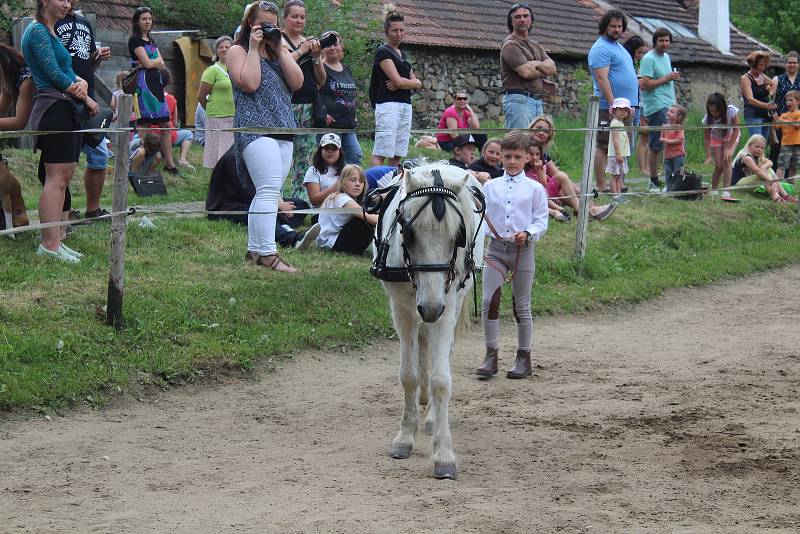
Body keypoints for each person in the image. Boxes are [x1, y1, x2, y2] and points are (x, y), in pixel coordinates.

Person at [227, 1, 303, 272]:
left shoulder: (279, 52)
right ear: (251, 24)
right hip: (254, 128)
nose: (269, 28)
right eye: (264, 24)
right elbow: (250, 83)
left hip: (284, 128)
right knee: (269, 190)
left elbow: (297, 82)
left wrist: (280, 47)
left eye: (273, 23)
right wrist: (255, 48)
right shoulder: (238, 51)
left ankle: (255, 249)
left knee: (269, 192)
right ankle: (268, 254)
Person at [22, 0, 99, 262]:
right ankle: (49, 245)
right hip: (53, 107)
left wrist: (82, 81)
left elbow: (66, 70)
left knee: (62, 177)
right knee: (55, 178)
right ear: (44, 1)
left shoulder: (50, 31)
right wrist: (86, 97)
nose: (66, 4)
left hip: (61, 106)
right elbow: (54, 73)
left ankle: (55, 241)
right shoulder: (38, 31)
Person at [475, 131, 548, 380]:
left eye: (517, 157)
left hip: (522, 252)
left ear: (527, 157)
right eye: (507, 156)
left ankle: (524, 356)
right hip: (495, 250)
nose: (512, 161)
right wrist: (483, 235)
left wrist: (528, 233)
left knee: (521, 304)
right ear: (501, 158)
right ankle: (490, 354)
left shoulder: (535, 189)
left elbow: (541, 220)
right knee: (489, 301)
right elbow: (481, 218)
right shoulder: (490, 187)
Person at [55, 0, 112, 219]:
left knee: (99, 153)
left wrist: (97, 57)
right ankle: (64, 213)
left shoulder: (84, 23)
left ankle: (93, 210)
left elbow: (87, 62)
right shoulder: (51, 23)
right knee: (64, 160)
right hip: (63, 97)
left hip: (88, 99)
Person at [528, 115, 616, 221]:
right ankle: (583, 211)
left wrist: (583, 196)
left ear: (549, 136)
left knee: (561, 179)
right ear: (531, 127)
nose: (542, 133)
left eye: (546, 131)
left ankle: (588, 208)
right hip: (532, 192)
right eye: (539, 128)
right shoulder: (521, 148)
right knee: (560, 179)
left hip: (545, 191)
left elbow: (560, 177)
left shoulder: (544, 155)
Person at [588, 9, 638, 192]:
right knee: (603, 145)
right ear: (605, 27)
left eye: (620, 26)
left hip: (626, 108)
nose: (617, 30)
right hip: (609, 108)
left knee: (623, 146)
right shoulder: (601, 48)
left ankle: (619, 183)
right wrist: (613, 105)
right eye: (613, 26)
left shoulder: (619, 48)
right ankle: (601, 186)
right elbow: (602, 78)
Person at [281, 0, 325, 200]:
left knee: (304, 156)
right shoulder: (278, 40)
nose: (299, 20)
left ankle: (300, 201)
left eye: (302, 17)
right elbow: (280, 67)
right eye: (295, 16)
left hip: (307, 105)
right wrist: (302, 50)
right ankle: (277, 199)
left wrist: (316, 56)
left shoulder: (309, 42)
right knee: (282, 155)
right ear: (285, 18)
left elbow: (321, 80)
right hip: (284, 104)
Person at [128, 6, 178, 174]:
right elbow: (150, 64)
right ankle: (139, 162)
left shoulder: (151, 41)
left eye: (149, 18)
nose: (147, 21)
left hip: (156, 85)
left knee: (165, 123)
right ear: (137, 21)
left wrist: (151, 62)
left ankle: (170, 164)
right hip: (143, 86)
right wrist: (151, 62)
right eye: (144, 19)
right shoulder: (135, 41)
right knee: (145, 124)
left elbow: (161, 63)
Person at [369, 9, 421, 166]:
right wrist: (408, 83)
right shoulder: (383, 52)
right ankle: (374, 187)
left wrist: (409, 83)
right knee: (382, 150)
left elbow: (417, 84)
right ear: (387, 31)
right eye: (395, 30)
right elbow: (399, 82)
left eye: (401, 30)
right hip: (388, 105)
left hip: (405, 105)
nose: (399, 34)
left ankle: (391, 185)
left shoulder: (402, 55)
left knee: (398, 152)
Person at [500, 2, 556, 129]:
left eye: (526, 16)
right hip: (519, 100)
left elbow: (553, 68)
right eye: (518, 17)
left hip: (537, 101)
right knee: (519, 143)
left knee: (536, 145)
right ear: (511, 21)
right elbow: (526, 73)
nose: (522, 20)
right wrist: (542, 66)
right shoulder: (510, 44)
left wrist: (535, 64)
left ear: (531, 20)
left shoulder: (535, 44)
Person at [639, 28, 679, 192]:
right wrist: (666, 78)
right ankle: (653, 180)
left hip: (669, 104)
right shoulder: (648, 59)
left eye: (667, 40)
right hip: (656, 105)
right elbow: (644, 84)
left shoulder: (667, 57)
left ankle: (670, 177)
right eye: (661, 40)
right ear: (655, 41)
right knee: (656, 143)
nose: (664, 44)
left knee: (671, 142)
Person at [0, 44, 34, 228]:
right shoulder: (8, 81)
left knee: (52, 176)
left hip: (53, 118)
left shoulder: (26, 77)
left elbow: (19, 122)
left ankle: (58, 229)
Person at [320, 32, 361, 165]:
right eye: (328, 45)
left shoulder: (346, 69)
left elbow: (350, 93)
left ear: (341, 46)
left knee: (355, 156)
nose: (332, 48)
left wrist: (353, 113)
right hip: (330, 125)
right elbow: (315, 92)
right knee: (331, 161)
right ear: (322, 48)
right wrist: (322, 112)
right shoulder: (320, 67)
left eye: (335, 44)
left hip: (348, 124)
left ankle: (347, 185)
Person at [316, 164, 377, 254]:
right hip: (332, 243)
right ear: (343, 181)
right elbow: (371, 219)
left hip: (329, 240)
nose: (357, 184)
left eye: (361, 181)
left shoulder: (344, 197)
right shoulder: (342, 198)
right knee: (365, 221)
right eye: (353, 180)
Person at [198, 35, 235, 169]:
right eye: (221, 47)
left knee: (232, 155)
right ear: (216, 51)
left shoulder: (237, 68)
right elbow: (201, 95)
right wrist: (210, 110)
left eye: (227, 47)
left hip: (235, 116)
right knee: (219, 154)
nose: (224, 50)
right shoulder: (212, 70)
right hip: (217, 116)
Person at [732, 134, 797, 202]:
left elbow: (770, 162)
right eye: (756, 146)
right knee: (762, 175)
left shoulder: (755, 155)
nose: (759, 149)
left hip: (744, 183)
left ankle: (785, 196)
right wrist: (771, 181)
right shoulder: (745, 156)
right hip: (735, 186)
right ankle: (776, 197)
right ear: (749, 145)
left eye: (762, 148)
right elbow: (757, 171)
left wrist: (763, 167)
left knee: (768, 169)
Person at [703, 93, 741, 198]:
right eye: (711, 111)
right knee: (719, 166)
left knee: (727, 159)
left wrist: (729, 148)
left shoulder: (731, 111)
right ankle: (714, 190)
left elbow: (736, 129)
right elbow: (707, 138)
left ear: (722, 107)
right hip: (717, 137)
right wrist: (709, 156)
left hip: (731, 134)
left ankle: (726, 190)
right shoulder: (707, 119)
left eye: (716, 111)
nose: (714, 114)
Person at [525, 143, 570, 222]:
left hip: (546, 194)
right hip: (533, 197)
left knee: (561, 175)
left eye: (537, 154)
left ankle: (576, 205)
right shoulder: (522, 168)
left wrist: (539, 171)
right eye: (531, 154)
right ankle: (559, 209)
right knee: (537, 191)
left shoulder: (542, 166)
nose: (534, 157)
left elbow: (544, 186)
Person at [623, 34, 648, 176]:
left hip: (637, 104)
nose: (640, 56)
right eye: (639, 52)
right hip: (629, 105)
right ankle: (619, 180)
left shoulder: (634, 64)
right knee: (625, 143)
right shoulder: (626, 63)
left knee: (630, 144)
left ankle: (623, 178)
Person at [770, 52, 800, 167]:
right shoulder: (777, 79)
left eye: (794, 62)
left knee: (793, 153)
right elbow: (771, 99)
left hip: (796, 120)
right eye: (789, 62)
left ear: (798, 64)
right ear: (785, 64)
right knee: (776, 150)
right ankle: (772, 179)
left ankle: (788, 182)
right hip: (780, 120)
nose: (792, 65)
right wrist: (774, 115)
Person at [740, 50, 775, 138]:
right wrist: (766, 105)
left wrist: (770, 95)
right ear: (753, 64)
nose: (763, 68)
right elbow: (750, 99)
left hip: (766, 115)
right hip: (753, 115)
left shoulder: (762, 76)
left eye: (764, 65)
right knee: (756, 142)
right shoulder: (745, 78)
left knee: (763, 144)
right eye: (761, 65)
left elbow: (773, 83)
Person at [304, 133, 345, 207]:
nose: (330, 151)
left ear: (340, 151)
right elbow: (314, 200)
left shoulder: (346, 170)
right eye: (326, 148)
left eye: (334, 148)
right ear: (320, 151)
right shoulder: (313, 171)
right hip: (321, 213)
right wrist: (335, 187)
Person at [606, 98, 632, 199]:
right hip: (616, 154)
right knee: (614, 175)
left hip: (621, 154)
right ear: (614, 110)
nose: (623, 112)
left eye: (625, 110)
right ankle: (615, 195)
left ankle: (618, 194)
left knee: (618, 175)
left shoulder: (620, 123)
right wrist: (618, 154)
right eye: (620, 109)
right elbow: (615, 140)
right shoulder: (615, 123)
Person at [772, 90, 800, 182]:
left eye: (791, 100)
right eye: (787, 100)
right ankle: (777, 185)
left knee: (794, 166)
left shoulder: (799, 113)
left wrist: (782, 121)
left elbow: (797, 125)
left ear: (798, 101)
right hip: (785, 144)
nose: (788, 102)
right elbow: (776, 127)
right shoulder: (783, 115)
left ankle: (790, 186)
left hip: (797, 144)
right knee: (781, 166)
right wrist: (775, 120)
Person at [164, 90, 194, 169]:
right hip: (168, 136)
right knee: (189, 134)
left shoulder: (146, 97)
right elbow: (175, 123)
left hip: (148, 135)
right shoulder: (171, 98)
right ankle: (182, 159)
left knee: (136, 138)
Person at [659, 104, 687, 191]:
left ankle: (678, 186)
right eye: (668, 111)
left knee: (678, 172)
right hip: (667, 155)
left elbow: (680, 139)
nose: (668, 112)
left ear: (679, 117)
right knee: (668, 172)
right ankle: (669, 186)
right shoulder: (665, 126)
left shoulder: (678, 127)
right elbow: (662, 137)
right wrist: (662, 139)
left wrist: (667, 141)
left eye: (671, 112)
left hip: (678, 155)